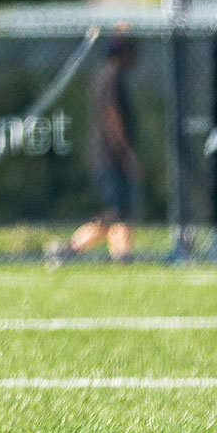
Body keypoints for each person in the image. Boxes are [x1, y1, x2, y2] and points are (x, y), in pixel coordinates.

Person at [49, 35, 145, 266]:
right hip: (109, 158)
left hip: (109, 158)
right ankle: (119, 255)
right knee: (119, 212)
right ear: (121, 53)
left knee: (118, 212)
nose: (136, 57)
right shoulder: (111, 78)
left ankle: (78, 250)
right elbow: (112, 119)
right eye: (131, 51)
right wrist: (128, 154)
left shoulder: (110, 77)